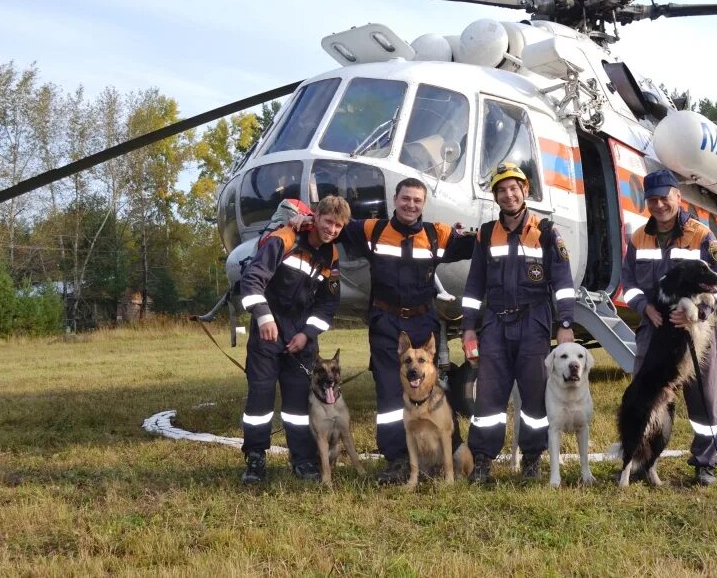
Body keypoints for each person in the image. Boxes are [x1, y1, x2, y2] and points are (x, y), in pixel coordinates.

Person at [291, 178, 475, 484]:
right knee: (390, 391)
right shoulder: (372, 230)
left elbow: (477, 242)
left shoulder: (436, 234)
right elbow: (334, 225)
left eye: (417, 200)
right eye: (405, 199)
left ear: (423, 204)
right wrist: (306, 220)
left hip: (422, 320)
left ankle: (447, 450)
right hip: (386, 323)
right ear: (395, 198)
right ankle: (397, 459)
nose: (410, 205)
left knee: (433, 385)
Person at [461, 162, 576, 484]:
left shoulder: (547, 231)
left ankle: (531, 458)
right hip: (495, 324)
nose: (508, 194)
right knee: (488, 395)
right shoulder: (486, 234)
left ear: (525, 190)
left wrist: (565, 323)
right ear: (495, 196)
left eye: (514, 188)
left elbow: (563, 283)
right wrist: (469, 326)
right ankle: (482, 459)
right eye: (501, 189)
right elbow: (474, 285)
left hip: (534, 322)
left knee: (535, 394)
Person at [619, 169, 717, 486]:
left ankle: (705, 463)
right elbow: (630, 284)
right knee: (645, 396)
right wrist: (644, 307)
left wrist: (699, 314)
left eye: (665, 197)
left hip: (695, 328)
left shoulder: (700, 235)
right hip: (655, 326)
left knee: (703, 396)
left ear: (678, 197)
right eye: (652, 199)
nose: (659, 205)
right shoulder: (638, 237)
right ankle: (642, 457)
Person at [238, 195, 351, 485]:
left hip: (300, 341)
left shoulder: (330, 255)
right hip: (268, 334)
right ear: (316, 217)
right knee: (260, 399)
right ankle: (255, 459)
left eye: (339, 226)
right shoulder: (284, 238)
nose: (332, 230)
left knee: (299, 405)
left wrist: (307, 334)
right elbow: (252, 280)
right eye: (328, 222)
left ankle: (302, 459)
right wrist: (263, 316)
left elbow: (327, 304)